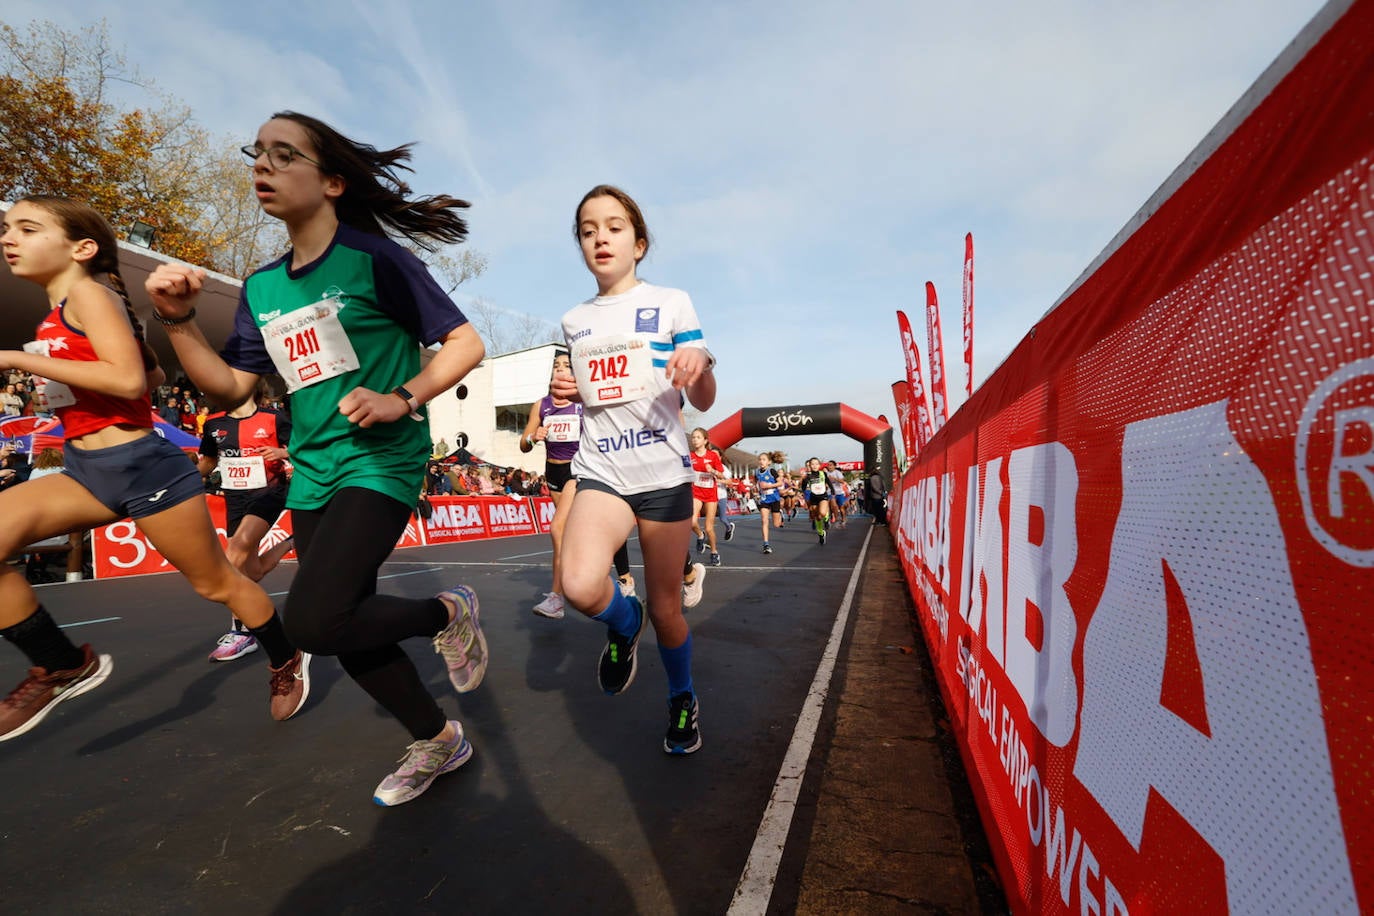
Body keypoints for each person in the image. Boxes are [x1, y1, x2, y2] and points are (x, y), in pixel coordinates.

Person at [145, 112, 489, 806]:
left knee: (311, 622)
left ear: (332, 181)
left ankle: (445, 612)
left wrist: (403, 395)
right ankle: (438, 739)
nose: (261, 166)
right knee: (347, 624)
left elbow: (464, 344)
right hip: (313, 471)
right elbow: (234, 386)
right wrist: (179, 323)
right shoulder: (262, 286)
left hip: (381, 461)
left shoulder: (375, 258)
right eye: (257, 154)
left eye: (283, 154)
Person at [0, 195, 309, 743]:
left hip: (144, 470)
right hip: (84, 469)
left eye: (26, 228)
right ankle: (60, 664)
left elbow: (125, 384)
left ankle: (285, 659)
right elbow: (153, 376)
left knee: (218, 584)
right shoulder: (59, 315)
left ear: (82, 248)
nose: (9, 238)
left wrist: (15, 359)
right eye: (7, 228)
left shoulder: (89, 294)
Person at [553, 184, 715, 755]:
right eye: (588, 229)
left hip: (665, 476)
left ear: (638, 243)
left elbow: (707, 397)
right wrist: (563, 386)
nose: (601, 236)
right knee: (577, 584)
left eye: (614, 226)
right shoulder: (573, 320)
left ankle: (681, 698)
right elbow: (578, 390)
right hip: (602, 470)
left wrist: (698, 368)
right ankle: (624, 623)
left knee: (668, 609)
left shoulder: (672, 302)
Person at [520, 351, 635, 620]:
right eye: (556, 365)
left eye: (567, 366)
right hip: (553, 474)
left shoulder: (584, 402)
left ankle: (557, 598)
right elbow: (523, 444)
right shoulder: (541, 405)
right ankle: (623, 579)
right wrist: (533, 437)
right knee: (582, 532)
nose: (560, 370)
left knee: (557, 529)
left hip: (578, 470)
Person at [197, 383, 297, 661]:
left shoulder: (274, 418)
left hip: (269, 492)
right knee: (252, 570)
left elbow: (306, 446)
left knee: (234, 555)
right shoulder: (214, 423)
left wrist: (282, 453)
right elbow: (208, 461)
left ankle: (241, 632)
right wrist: (189, 477)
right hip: (234, 498)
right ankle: (292, 542)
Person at [688, 428, 726, 567]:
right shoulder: (690, 456)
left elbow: (722, 475)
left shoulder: (713, 456)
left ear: (705, 440)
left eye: (698, 437)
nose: (694, 439)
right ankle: (700, 535)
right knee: (692, 521)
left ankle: (714, 552)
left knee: (709, 527)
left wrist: (713, 471)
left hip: (710, 494)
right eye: (693, 437)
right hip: (696, 492)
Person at [753, 451, 784, 554]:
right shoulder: (757, 472)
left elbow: (780, 483)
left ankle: (780, 514)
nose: (761, 461)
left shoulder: (772, 471)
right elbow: (755, 483)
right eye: (760, 459)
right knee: (764, 520)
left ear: (769, 462)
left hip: (774, 499)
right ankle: (766, 544)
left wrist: (768, 486)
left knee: (776, 524)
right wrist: (755, 490)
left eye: (764, 459)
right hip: (764, 499)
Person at [800, 456, 834, 544]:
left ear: (819, 465)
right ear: (809, 466)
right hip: (814, 498)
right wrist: (803, 485)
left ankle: (826, 519)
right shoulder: (808, 476)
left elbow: (828, 482)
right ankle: (821, 533)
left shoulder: (823, 474)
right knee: (818, 517)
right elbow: (803, 487)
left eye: (816, 464)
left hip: (823, 496)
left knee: (822, 513)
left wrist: (832, 490)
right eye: (812, 464)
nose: (814, 466)